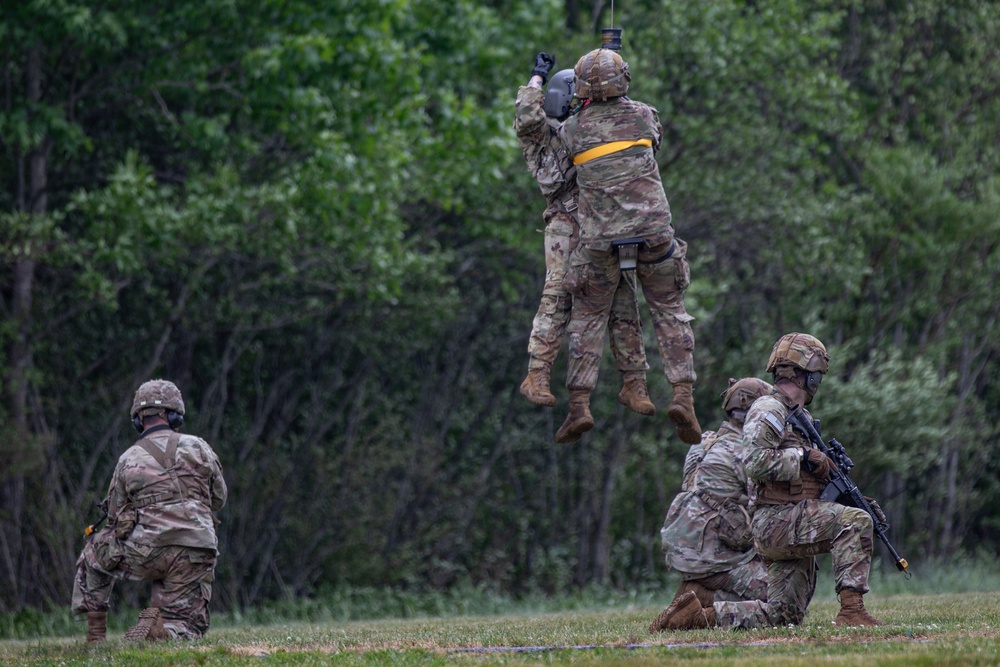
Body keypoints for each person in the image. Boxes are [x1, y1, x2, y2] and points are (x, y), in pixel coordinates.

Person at [659, 333, 886, 630]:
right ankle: (852, 612)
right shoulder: (770, 409)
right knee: (853, 522)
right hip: (775, 521)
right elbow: (754, 461)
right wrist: (803, 457)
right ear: (811, 375)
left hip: (786, 519)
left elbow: (805, 482)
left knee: (784, 615)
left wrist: (850, 499)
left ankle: (698, 617)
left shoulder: (795, 415)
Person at [556, 47, 701, 445]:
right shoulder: (644, 114)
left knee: (587, 315)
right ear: (624, 81)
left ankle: (579, 405)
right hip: (655, 234)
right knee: (670, 310)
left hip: (601, 242)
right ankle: (683, 398)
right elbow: (652, 143)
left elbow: (564, 160)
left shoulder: (572, 130)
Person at [514, 52, 656, 431]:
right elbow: (529, 116)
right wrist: (537, 79)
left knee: (622, 296)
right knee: (558, 295)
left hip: (600, 222)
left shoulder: (574, 128)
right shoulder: (548, 133)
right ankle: (538, 374)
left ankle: (634, 381)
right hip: (568, 223)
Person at [72, 379, 227, 642]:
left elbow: (114, 518)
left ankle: (95, 638)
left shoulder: (128, 459)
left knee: (93, 551)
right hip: (196, 550)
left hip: (146, 553)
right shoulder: (199, 446)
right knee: (186, 625)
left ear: (138, 420)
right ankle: (165, 630)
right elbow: (219, 499)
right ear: (174, 415)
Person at [648, 377, 772, 633]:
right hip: (715, 558)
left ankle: (694, 591)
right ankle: (705, 604)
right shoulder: (743, 451)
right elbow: (767, 501)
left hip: (685, 553)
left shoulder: (703, 442)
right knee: (780, 597)